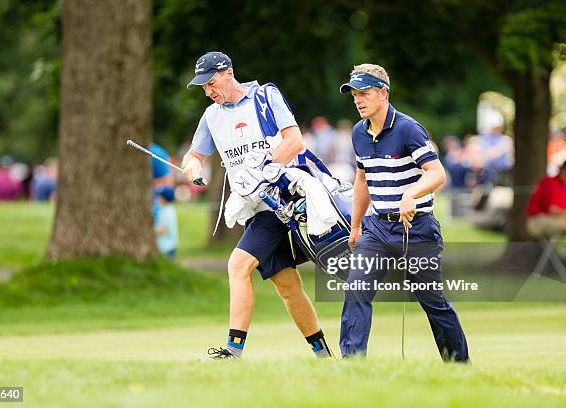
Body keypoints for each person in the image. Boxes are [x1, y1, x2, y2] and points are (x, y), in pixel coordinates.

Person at [181, 51, 332, 359]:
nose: (208, 92)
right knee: (288, 286)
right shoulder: (212, 115)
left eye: (210, 83)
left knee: (237, 265)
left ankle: (233, 352)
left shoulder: (265, 96)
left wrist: (262, 171)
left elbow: (294, 142)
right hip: (254, 209)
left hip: (282, 198)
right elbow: (194, 156)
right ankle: (323, 354)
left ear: (228, 73)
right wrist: (193, 169)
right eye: (203, 88)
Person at [339, 64, 469, 362]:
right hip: (377, 229)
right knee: (356, 289)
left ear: (383, 93)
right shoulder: (359, 133)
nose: (358, 100)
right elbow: (362, 179)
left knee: (432, 301)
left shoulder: (408, 128)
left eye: (364, 93)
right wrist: (356, 224)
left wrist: (410, 194)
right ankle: (352, 364)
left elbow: (436, 173)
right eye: (355, 95)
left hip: (417, 228)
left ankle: (460, 365)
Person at [526, 159, 566, 238]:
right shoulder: (549, 183)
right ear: (562, 171)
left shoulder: (563, 185)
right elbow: (553, 210)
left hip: (556, 219)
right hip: (537, 220)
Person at [153, 186, 179, 258]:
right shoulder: (168, 209)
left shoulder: (166, 212)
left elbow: (163, 231)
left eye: (159, 196)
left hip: (167, 248)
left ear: (164, 199)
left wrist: (148, 230)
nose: (157, 198)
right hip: (168, 247)